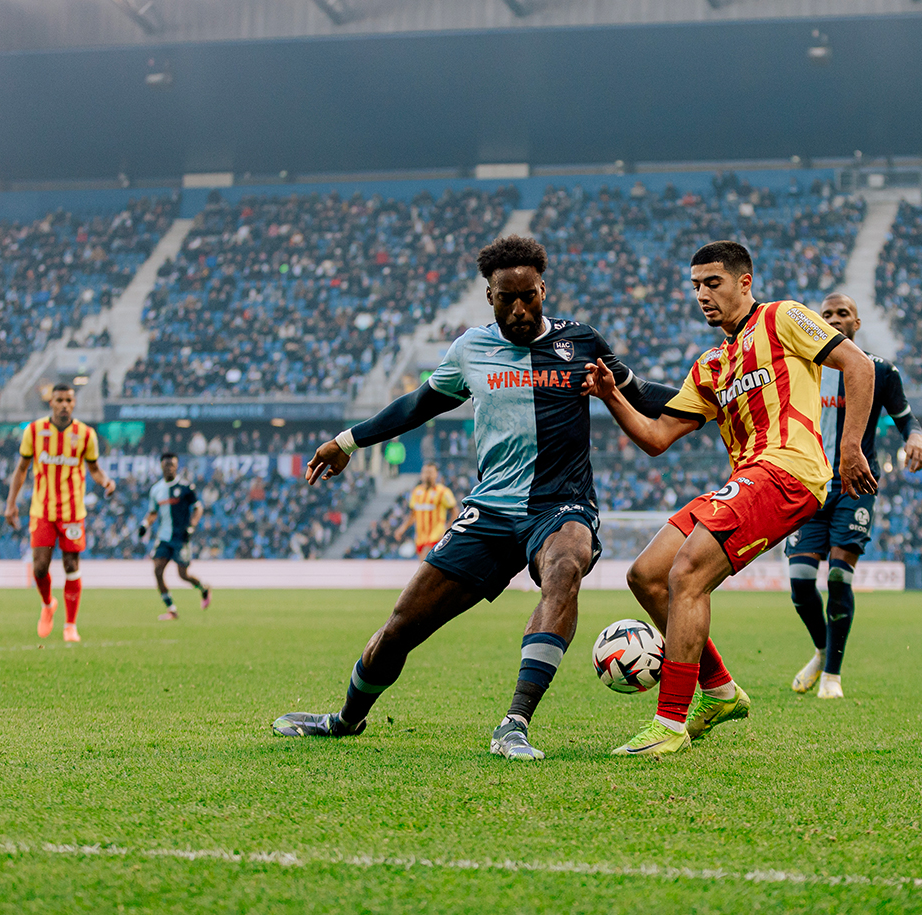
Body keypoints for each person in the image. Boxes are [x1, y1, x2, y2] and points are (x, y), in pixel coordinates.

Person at [272, 235, 676, 759]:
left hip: (559, 505)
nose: (519, 308)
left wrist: (717, 398)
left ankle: (514, 723)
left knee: (567, 562)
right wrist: (348, 440)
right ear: (490, 296)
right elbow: (417, 405)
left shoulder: (582, 343)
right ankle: (347, 719)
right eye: (506, 297)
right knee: (400, 628)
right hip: (488, 511)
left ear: (543, 290)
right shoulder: (471, 350)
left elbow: (644, 394)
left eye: (528, 295)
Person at [584, 240, 877, 757]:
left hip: (790, 469)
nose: (702, 294)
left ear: (745, 281)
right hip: (748, 475)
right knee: (648, 574)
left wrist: (850, 445)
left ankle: (670, 722)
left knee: (687, 572)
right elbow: (656, 437)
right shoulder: (710, 365)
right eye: (695, 285)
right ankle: (719, 691)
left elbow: (859, 366)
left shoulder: (784, 318)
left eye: (712, 283)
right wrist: (611, 396)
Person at [784, 293, 922, 699]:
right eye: (825, 314)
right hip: (808, 484)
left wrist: (915, 438)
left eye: (841, 314)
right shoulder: (802, 368)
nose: (832, 319)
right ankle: (821, 648)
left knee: (839, 575)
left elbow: (905, 418)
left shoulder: (878, 370)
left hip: (854, 485)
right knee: (799, 583)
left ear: (856, 323)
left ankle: (832, 676)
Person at [4, 382, 116, 643]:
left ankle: (70, 625)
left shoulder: (86, 435)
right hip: (41, 510)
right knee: (40, 568)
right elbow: (21, 469)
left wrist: (106, 482)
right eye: (59, 400)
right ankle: (47, 604)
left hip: (72, 512)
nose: (64, 405)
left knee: (71, 565)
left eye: (68, 400)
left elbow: (95, 469)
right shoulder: (34, 431)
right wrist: (11, 503)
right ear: (51, 402)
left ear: (74, 403)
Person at [137, 452, 210, 621]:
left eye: (172, 465)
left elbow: (198, 508)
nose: (169, 468)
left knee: (183, 574)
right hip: (164, 537)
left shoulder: (186, 488)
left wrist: (191, 526)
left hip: (181, 537)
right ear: (161, 466)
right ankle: (172, 609)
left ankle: (203, 587)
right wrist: (145, 524)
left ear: (177, 467)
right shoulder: (156, 490)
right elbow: (153, 512)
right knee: (157, 570)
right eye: (166, 465)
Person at [394, 462, 458, 557]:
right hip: (420, 539)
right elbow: (413, 515)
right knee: (425, 566)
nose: (428, 475)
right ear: (421, 474)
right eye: (426, 472)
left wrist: (447, 531)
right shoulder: (416, 492)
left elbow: (455, 512)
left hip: (436, 537)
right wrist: (402, 529)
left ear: (436, 474)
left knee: (425, 561)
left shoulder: (443, 492)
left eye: (431, 472)